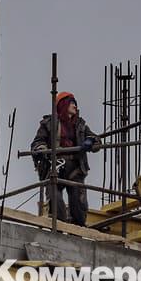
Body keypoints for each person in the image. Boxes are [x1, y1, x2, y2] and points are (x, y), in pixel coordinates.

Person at [30, 92, 101, 226]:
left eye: (75, 103)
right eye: (71, 103)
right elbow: (38, 142)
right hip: (55, 167)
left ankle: (77, 230)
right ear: (63, 105)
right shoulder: (48, 123)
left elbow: (96, 140)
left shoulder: (80, 125)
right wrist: (42, 149)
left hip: (75, 168)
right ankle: (59, 228)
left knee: (78, 203)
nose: (75, 106)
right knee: (55, 201)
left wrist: (91, 141)